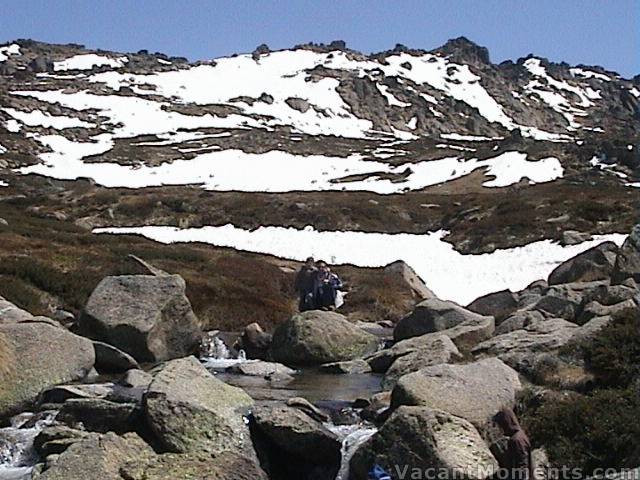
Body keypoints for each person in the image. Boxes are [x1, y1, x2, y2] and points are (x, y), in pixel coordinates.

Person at [493, 407, 533, 480]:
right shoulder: (518, 437)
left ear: (505, 423)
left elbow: (522, 467)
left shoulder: (517, 440)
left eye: (500, 424)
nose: (499, 428)